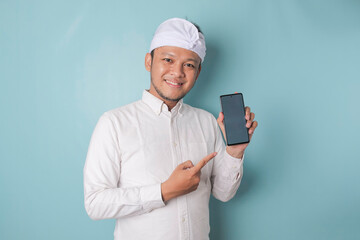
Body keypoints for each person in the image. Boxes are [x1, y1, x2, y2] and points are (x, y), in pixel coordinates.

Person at [84, 17, 258, 240]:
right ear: (149, 61)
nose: (177, 72)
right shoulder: (114, 123)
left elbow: (223, 193)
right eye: (168, 59)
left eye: (189, 64)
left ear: (198, 71)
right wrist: (164, 191)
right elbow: (95, 204)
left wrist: (235, 152)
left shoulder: (206, 122)